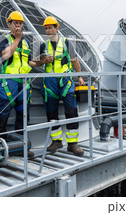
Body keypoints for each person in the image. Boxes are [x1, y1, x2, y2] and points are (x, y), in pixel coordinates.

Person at [0, 11, 45, 157]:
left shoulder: (25, 42)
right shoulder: (3, 39)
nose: (18, 25)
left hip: (24, 84)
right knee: (2, 115)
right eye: (15, 23)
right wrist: (16, 39)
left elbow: (28, 62)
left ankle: (20, 148)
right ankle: (0, 150)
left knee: (23, 115)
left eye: (20, 23)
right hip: (8, 83)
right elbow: (5, 55)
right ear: (9, 23)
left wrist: (41, 61)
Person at [40, 16, 85, 156]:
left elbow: (75, 60)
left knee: (71, 112)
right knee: (51, 113)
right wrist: (42, 60)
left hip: (66, 81)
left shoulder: (66, 43)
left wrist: (80, 76)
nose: (47, 30)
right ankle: (56, 141)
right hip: (49, 83)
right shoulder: (43, 46)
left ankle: (73, 144)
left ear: (56, 28)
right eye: (46, 28)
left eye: (50, 27)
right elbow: (36, 62)